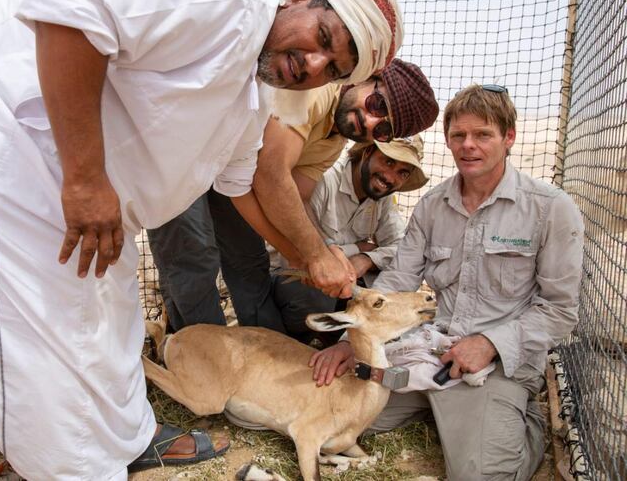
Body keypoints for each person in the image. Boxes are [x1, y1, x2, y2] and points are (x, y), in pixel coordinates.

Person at [0, 0, 405, 478]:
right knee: (40, 321)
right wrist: (86, 181)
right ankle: (66, 465)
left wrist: (311, 257)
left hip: (84, 183)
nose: (314, 66)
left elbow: (244, 185)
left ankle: (130, 438)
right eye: (322, 39)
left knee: (112, 309)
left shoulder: (253, 95)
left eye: (333, 70)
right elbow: (69, 12)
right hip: (6, 125)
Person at [310, 84, 584, 480]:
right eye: (459, 135)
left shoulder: (551, 209)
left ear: (509, 137)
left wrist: (490, 343)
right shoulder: (433, 204)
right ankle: (445, 414)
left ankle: (515, 417)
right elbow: (400, 276)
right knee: (324, 415)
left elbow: (560, 311)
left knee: (480, 475)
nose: (468, 146)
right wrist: (351, 342)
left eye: (483, 135)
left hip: (493, 365)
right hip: (427, 350)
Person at [148, 59, 437, 333]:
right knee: (194, 257)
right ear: (368, 78)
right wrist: (315, 256)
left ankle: (263, 355)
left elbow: (292, 200)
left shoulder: (332, 143)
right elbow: (271, 177)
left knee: (248, 260)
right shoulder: (320, 90)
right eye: (377, 104)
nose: (371, 122)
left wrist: (318, 253)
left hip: (236, 173)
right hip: (187, 152)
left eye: (384, 131)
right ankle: (206, 360)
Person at [270, 135, 429, 342]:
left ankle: (338, 344)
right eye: (388, 162)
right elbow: (301, 251)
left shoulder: (383, 196)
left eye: (402, 172)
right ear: (367, 153)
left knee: (383, 292)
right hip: (288, 276)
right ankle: (295, 342)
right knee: (319, 293)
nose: (390, 177)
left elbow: (403, 248)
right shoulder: (324, 179)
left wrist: (366, 259)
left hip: (340, 284)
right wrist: (356, 248)